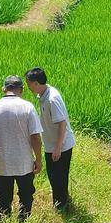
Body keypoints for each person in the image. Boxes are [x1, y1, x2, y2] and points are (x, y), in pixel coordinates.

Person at [0, 76, 44, 221]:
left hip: (2, 162)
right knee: (26, 195)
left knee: (3, 197)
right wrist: (38, 159)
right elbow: (36, 137)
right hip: (24, 162)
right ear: (22, 89)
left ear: (4, 89)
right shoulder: (27, 107)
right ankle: (23, 222)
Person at [25, 67, 76, 213]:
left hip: (60, 145)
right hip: (51, 144)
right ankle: (60, 203)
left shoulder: (52, 98)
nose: (28, 87)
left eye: (29, 84)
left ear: (35, 83)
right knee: (53, 176)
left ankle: (61, 207)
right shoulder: (43, 95)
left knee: (59, 177)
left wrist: (58, 147)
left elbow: (62, 123)